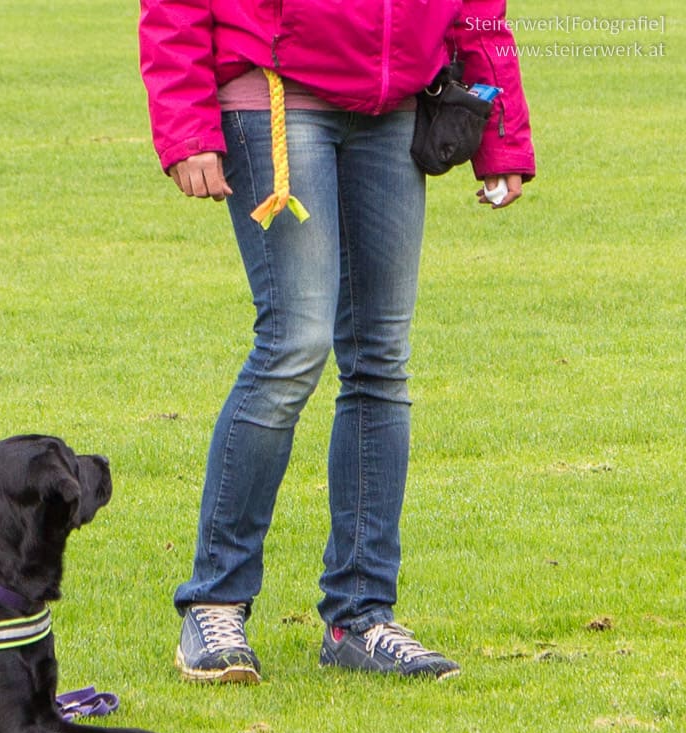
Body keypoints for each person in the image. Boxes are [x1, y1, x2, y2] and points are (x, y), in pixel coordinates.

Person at [139, 0, 535, 682]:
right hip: (274, 99)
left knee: (381, 359)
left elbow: (480, 14)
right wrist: (186, 128)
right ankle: (215, 602)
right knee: (295, 344)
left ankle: (361, 617)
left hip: (397, 108)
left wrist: (499, 136)